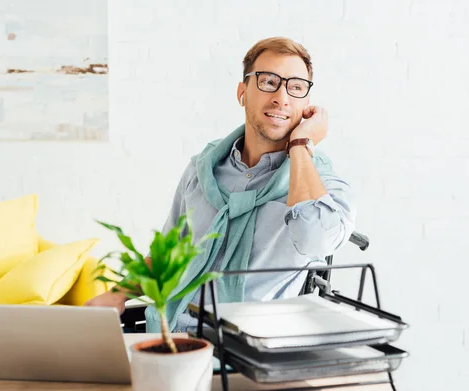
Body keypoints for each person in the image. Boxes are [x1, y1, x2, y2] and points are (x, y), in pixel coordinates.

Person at [85, 37, 356, 333]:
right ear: (242, 93)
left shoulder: (322, 183)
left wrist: (301, 145)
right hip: (170, 334)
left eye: (296, 87)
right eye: (268, 82)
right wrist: (118, 293)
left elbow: (314, 239)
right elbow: (169, 256)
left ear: (306, 104)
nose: (282, 97)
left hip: (250, 353)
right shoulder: (203, 169)